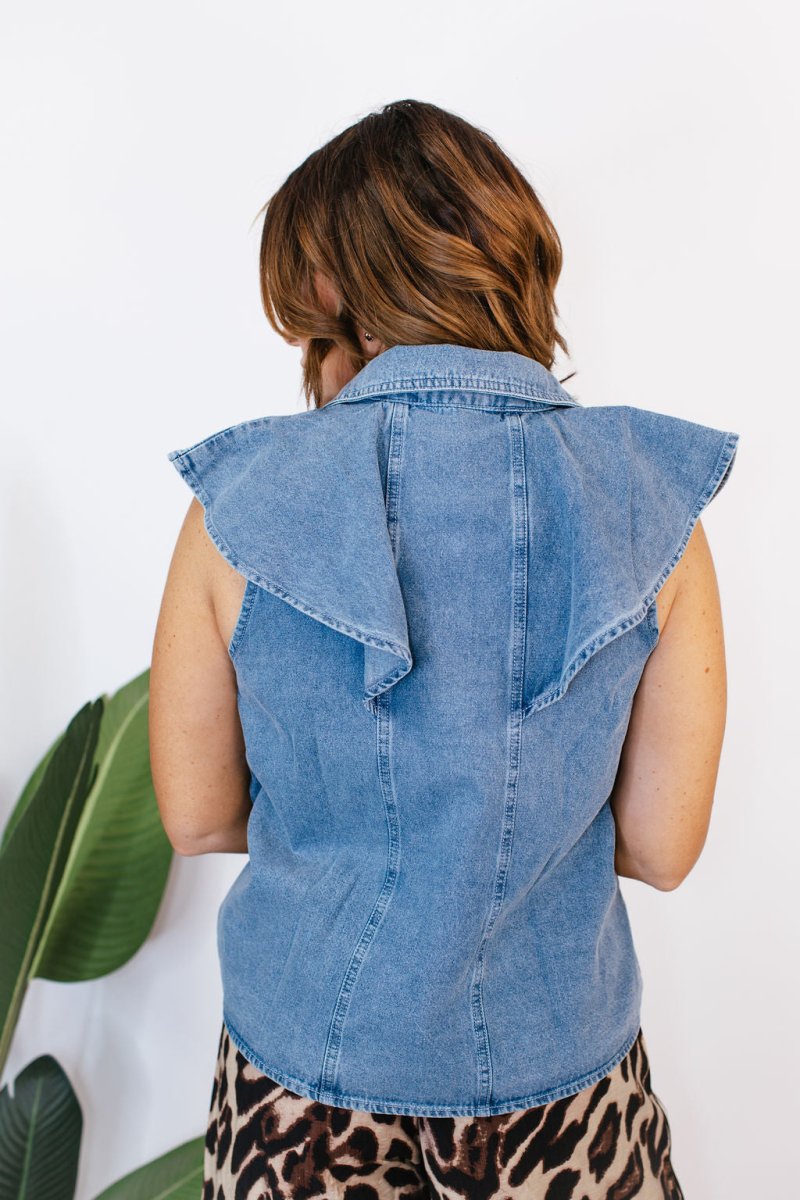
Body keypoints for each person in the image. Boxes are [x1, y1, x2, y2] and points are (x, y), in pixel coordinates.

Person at [150, 99, 739, 1199]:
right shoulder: (652, 505)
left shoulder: (235, 507)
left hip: (301, 1091)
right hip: (564, 1089)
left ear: (336, 297)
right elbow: (660, 846)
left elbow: (192, 814)